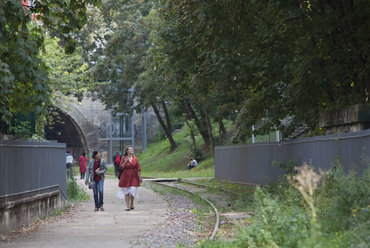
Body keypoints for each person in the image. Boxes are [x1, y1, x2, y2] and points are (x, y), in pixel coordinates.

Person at [116, 146, 142, 211]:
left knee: (133, 190)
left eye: (132, 149)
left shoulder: (135, 158)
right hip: (125, 176)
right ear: (127, 151)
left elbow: (138, 168)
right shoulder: (123, 158)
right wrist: (125, 162)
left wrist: (140, 177)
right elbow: (121, 167)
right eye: (130, 149)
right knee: (126, 192)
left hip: (133, 176)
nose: (132, 150)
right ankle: (127, 206)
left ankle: (132, 203)